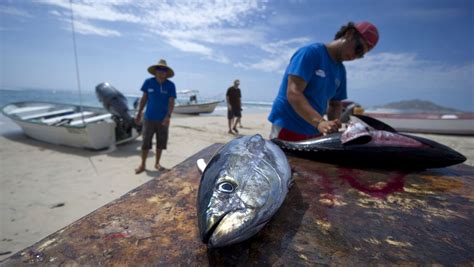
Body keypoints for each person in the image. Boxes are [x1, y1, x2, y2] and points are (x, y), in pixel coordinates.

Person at [268, 21, 379, 141]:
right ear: (349, 34)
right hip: (288, 126)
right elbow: (293, 92)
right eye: (358, 49)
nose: (355, 56)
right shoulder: (311, 53)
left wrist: (333, 125)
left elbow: (335, 104)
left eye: (361, 55)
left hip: (315, 130)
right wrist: (320, 122)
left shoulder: (340, 71)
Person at [134, 59, 176, 174]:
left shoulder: (170, 85)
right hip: (148, 118)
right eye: (159, 69)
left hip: (163, 120)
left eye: (164, 70)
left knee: (161, 142)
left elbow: (171, 102)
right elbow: (144, 99)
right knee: (145, 142)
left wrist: (168, 116)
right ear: (155, 71)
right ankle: (142, 164)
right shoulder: (148, 82)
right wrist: (138, 113)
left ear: (167, 72)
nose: (162, 71)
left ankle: (157, 163)